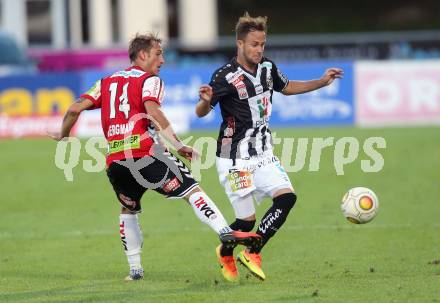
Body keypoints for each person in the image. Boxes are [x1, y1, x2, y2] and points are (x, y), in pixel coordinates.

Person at [49, 33, 261, 281]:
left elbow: (75, 108)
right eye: (158, 53)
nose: (162, 60)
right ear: (142, 55)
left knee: (128, 208)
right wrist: (178, 144)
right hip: (147, 154)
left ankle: (135, 270)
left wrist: (63, 134)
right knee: (191, 190)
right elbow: (152, 110)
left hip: (116, 161)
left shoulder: (106, 81)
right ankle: (225, 231)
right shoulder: (150, 80)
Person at [196, 13, 343, 282]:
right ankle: (226, 251)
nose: (259, 49)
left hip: (263, 153)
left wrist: (322, 81)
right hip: (234, 158)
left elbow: (287, 87)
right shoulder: (224, 76)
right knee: (246, 223)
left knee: (287, 197)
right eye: (254, 44)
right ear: (240, 44)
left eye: (262, 44)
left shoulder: (267, 68)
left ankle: (253, 251)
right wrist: (205, 101)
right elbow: (201, 112)